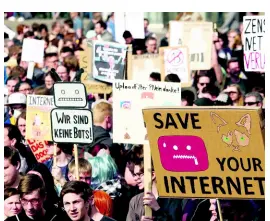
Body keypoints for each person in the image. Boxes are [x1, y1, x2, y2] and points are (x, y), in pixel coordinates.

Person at [126, 156, 183, 221]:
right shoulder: (135, 201)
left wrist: (157, 209)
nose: (135, 178)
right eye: (134, 175)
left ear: (153, 175)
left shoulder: (172, 199)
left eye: (139, 174)